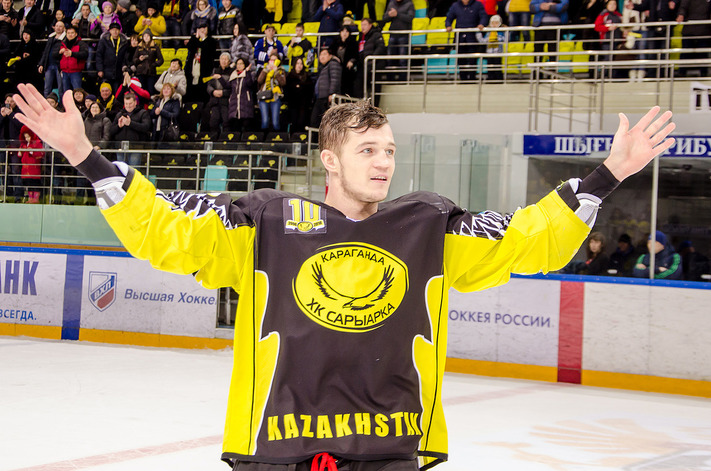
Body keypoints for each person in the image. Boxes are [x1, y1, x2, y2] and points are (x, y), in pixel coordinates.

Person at [11, 80, 676, 471]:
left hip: (389, 451)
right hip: (278, 450)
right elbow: (164, 229)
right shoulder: (264, 222)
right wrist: (85, 155)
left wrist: (606, 174)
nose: (383, 162)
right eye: (367, 150)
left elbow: (530, 239)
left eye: (389, 150)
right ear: (330, 160)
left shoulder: (429, 228)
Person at [445, 0, 488, 80]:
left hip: (472, 37)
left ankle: (472, 77)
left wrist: (482, 24)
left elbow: (484, 17)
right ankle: (463, 78)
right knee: (461, 59)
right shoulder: (455, 5)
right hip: (460, 38)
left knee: (473, 59)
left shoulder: (478, 4)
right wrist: (448, 25)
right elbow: (449, 18)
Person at [109, 92, 151, 165]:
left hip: (136, 147)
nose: (128, 106)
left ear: (135, 103)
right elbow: (111, 131)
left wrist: (130, 123)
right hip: (120, 147)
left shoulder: (143, 113)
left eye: (130, 103)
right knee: (121, 169)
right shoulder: (119, 114)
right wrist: (118, 126)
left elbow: (146, 127)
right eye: (126, 104)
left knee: (133, 169)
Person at [184, 19, 218, 101]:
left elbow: (207, 50)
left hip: (204, 70)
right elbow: (191, 48)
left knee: (202, 91)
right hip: (192, 68)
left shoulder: (211, 41)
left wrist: (203, 38)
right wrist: (196, 37)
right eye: (200, 29)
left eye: (204, 28)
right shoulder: (193, 39)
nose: (202, 30)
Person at [676, 0, 711, 77]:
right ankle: (682, 72)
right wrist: (681, 14)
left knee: (703, 53)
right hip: (689, 28)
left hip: (704, 29)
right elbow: (683, 7)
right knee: (686, 52)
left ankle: (704, 73)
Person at [354, 17, 385, 98]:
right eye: (361, 25)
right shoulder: (361, 36)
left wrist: (372, 59)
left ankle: (374, 104)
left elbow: (380, 47)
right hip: (363, 65)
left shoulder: (376, 34)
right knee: (358, 85)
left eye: (365, 25)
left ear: (370, 25)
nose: (362, 27)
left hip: (374, 65)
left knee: (375, 88)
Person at [310, 47, 341, 128]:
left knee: (326, 123)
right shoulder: (323, 67)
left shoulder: (333, 64)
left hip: (327, 99)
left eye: (324, 54)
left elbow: (335, 79)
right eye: (320, 55)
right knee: (315, 122)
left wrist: (331, 93)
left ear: (330, 55)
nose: (322, 57)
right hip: (320, 98)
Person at [256, 51, 286, 131]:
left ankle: (276, 136)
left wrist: (276, 72)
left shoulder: (281, 70)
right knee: (265, 121)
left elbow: (283, 83)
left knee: (275, 122)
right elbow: (259, 81)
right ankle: (264, 137)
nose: (272, 62)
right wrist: (266, 70)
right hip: (264, 96)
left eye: (275, 60)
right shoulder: (264, 68)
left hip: (275, 97)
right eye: (271, 60)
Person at [381, 0, 414, 69]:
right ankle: (390, 75)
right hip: (393, 34)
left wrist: (397, 14)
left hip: (404, 35)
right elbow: (385, 18)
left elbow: (410, 18)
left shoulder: (409, 4)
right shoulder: (391, 3)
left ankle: (403, 76)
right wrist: (389, 15)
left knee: (403, 60)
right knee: (390, 59)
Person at [96, 22, 129, 92]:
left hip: (119, 71)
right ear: (110, 31)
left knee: (117, 91)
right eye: (113, 30)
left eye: (117, 30)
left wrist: (125, 68)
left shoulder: (124, 42)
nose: (115, 31)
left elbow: (126, 56)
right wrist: (100, 69)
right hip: (106, 71)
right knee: (107, 90)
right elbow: (99, 55)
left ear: (119, 31)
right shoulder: (104, 41)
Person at [206, 52, 234, 133]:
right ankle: (214, 138)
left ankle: (225, 139)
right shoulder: (215, 70)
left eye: (226, 59)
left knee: (226, 122)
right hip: (215, 101)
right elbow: (209, 85)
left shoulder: (232, 72)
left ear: (229, 61)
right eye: (222, 59)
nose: (223, 61)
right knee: (213, 122)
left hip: (226, 101)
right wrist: (213, 92)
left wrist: (223, 93)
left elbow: (232, 87)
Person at [284, 56, 313, 132]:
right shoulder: (289, 76)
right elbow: (287, 91)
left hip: (304, 105)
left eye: (301, 63)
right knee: (294, 121)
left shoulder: (307, 76)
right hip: (293, 104)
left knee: (302, 121)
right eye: (297, 63)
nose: (299, 65)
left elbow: (310, 90)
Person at [38, 20, 66, 97]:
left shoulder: (65, 38)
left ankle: (62, 103)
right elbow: (46, 52)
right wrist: (41, 64)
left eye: (60, 26)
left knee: (61, 88)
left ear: (64, 28)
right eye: (57, 26)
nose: (58, 28)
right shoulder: (51, 37)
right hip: (49, 65)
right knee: (47, 88)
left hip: (59, 66)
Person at [58, 24, 89, 92]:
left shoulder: (81, 43)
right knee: (66, 92)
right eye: (68, 33)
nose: (70, 35)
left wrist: (72, 54)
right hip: (65, 71)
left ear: (76, 34)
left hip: (76, 72)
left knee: (77, 91)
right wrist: (59, 52)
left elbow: (85, 54)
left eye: (72, 33)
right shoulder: (62, 43)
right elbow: (55, 55)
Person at [227, 56, 254, 132]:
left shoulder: (248, 74)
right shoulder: (233, 75)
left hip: (245, 103)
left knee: (246, 126)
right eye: (238, 64)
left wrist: (247, 72)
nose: (239, 65)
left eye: (241, 64)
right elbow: (227, 86)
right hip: (234, 104)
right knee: (235, 127)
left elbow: (250, 84)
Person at [18, 124, 43, 203]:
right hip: (26, 169)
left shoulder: (37, 143)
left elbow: (40, 154)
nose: (27, 139)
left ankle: (35, 198)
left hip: (34, 168)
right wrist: (20, 152)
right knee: (28, 183)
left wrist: (32, 152)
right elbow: (20, 154)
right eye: (25, 137)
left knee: (34, 183)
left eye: (28, 137)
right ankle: (30, 198)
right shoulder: (24, 145)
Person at [330, 26, 358, 96]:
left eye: (346, 31)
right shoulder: (335, 42)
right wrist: (334, 57)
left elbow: (356, 55)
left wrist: (352, 61)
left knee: (348, 87)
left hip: (348, 69)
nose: (344, 33)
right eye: (342, 31)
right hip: (337, 68)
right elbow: (330, 52)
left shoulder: (353, 42)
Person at [133, 30, 164, 94]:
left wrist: (154, 64)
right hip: (141, 72)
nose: (146, 37)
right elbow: (134, 60)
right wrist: (139, 59)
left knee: (151, 90)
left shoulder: (155, 47)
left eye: (148, 36)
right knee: (141, 90)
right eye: (144, 36)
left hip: (151, 72)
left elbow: (161, 60)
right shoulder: (139, 47)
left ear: (150, 37)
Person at [479, 14, 506, 81]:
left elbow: (505, 39)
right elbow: (483, 41)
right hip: (489, 52)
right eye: (493, 23)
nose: (494, 25)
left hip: (498, 52)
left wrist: (506, 31)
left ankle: (499, 79)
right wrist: (478, 32)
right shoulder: (488, 33)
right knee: (490, 66)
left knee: (498, 66)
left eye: (496, 23)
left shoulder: (501, 32)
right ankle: (490, 78)